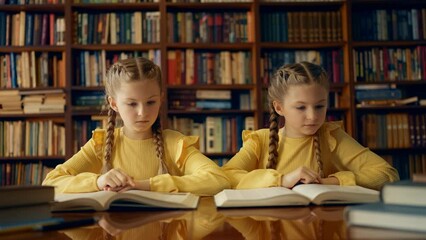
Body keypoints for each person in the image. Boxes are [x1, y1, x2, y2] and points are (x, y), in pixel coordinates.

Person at [43, 57, 230, 195]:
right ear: (114, 103)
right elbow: (51, 183)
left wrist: (146, 185)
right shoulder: (100, 144)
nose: (142, 112)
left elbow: (218, 180)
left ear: (161, 98)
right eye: (132, 104)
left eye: (150, 102)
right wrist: (98, 182)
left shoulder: (175, 144)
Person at [222, 61, 399, 190]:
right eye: (301, 107)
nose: (313, 116)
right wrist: (282, 180)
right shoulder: (259, 141)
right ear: (279, 107)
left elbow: (387, 174)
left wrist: (332, 181)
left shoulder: (331, 136)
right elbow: (226, 177)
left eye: (320, 106)